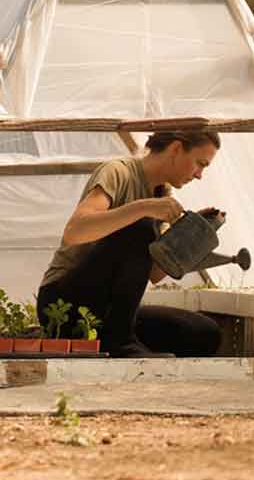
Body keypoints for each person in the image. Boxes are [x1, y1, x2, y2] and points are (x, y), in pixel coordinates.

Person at [36, 130, 224, 358]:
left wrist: (189, 237)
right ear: (175, 148)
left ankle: (120, 340)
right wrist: (143, 208)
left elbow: (154, 273)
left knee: (203, 333)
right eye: (199, 163)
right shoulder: (118, 172)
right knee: (141, 228)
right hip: (64, 304)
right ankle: (120, 344)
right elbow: (74, 231)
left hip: (109, 314)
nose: (199, 175)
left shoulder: (161, 193)